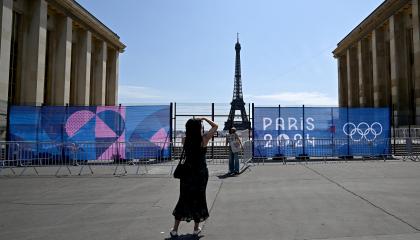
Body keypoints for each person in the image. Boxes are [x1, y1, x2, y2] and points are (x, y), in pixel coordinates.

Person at [170, 117, 218, 238]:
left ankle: (175, 229)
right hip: (200, 173)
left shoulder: (184, 139)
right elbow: (215, 126)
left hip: (187, 172)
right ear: (199, 128)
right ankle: (196, 229)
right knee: (199, 199)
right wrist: (205, 118)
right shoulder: (204, 140)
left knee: (183, 198)